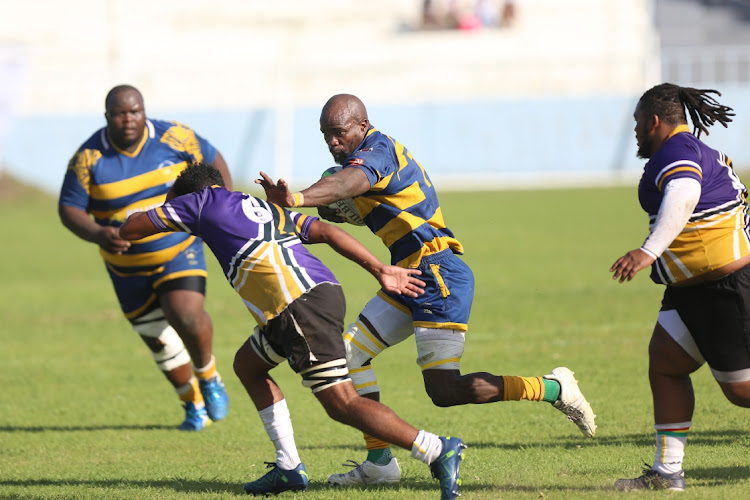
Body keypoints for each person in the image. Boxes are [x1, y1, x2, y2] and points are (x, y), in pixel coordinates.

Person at [257, 93, 597, 486]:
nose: (333, 142)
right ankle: (380, 463)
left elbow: (347, 182)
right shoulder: (357, 165)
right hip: (407, 275)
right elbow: (339, 190)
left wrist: (298, 198)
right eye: (325, 135)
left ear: (362, 127)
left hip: (438, 272)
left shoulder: (378, 151)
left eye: (339, 133)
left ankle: (553, 387)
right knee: (350, 357)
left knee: (445, 390)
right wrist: (298, 210)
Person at [118, 161, 467, 500]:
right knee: (248, 366)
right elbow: (327, 231)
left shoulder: (199, 202)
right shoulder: (261, 207)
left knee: (341, 403)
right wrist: (379, 269)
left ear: (187, 197)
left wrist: (163, 206)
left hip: (297, 306)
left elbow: (131, 228)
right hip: (313, 295)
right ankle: (288, 466)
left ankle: (435, 449)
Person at [58, 84, 231, 431]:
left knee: (184, 313)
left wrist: (222, 209)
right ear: (107, 117)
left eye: (134, 112)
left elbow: (213, 161)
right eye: (119, 114)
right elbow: (69, 208)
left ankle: (209, 376)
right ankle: (192, 406)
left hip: (178, 250)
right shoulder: (89, 157)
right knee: (157, 337)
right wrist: (97, 234)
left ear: (144, 110)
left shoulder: (175, 137)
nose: (128, 120)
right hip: (126, 268)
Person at [610, 83, 750, 491]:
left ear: (654, 121)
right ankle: (667, 472)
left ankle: (668, 471)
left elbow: (685, 191)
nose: (635, 131)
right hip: (691, 290)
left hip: (723, 287)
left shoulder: (677, 152)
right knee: (666, 364)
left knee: (741, 392)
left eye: (638, 123)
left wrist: (648, 251)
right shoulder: (692, 150)